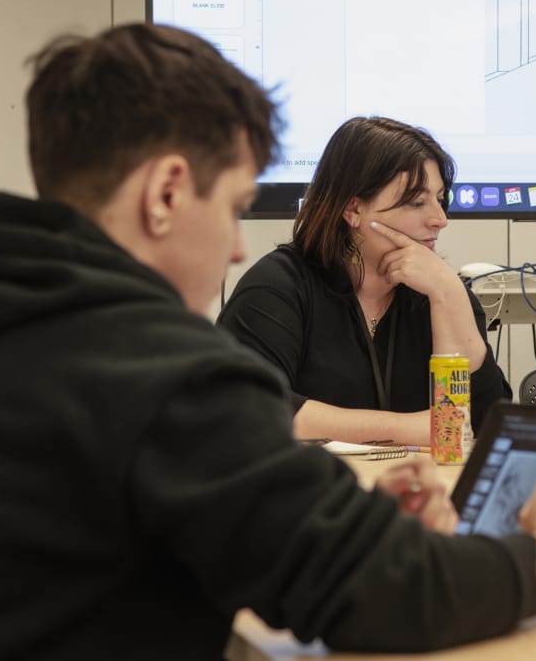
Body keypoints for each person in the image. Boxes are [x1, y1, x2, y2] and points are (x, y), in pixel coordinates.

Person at [0, 24, 536, 659]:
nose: (236, 249)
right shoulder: (154, 372)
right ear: (166, 193)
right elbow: (394, 593)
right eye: (233, 208)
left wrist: (332, 519)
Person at [217, 116, 512, 446]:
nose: (440, 219)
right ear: (353, 209)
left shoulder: (439, 290)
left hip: (422, 479)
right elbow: (253, 408)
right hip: (311, 479)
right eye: (416, 202)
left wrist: (449, 295)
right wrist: (411, 428)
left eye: (440, 199)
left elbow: (485, 425)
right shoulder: (278, 287)